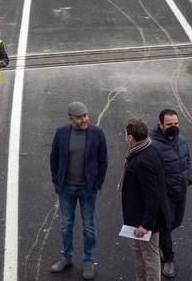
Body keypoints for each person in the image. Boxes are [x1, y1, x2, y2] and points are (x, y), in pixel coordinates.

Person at [49, 102, 108, 280]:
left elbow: (103, 160)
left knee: (89, 227)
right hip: (66, 188)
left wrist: (97, 183)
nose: (85, 119)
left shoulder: (97, 133)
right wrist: (57, 181)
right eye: (80, 117)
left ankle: (89, 260)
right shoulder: (61, 133)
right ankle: (66, 257)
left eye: (86, 115)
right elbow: (54, 158)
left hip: (87, 188)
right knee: (66, 225)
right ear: (71, 119)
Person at [120, 119, 170, 281]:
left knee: (149, 257)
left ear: (130, 137)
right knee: (139, 252)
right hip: (140, 217)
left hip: (146, 220)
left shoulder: (142, 161)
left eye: (126, 135)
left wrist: (145, 225)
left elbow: (152, 195)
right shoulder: (150, 147)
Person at [150, 109, 192, 278]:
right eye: (169, 124)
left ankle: (159, 241)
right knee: (166, 226)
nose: (174, 127)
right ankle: (168, 259)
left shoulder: (182, 141)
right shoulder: (153, 145)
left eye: (176, 124)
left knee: (176, 222)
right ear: (161, 124)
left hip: (181, 191)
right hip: (165, 195)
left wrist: (189, 177)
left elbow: (188, 160)